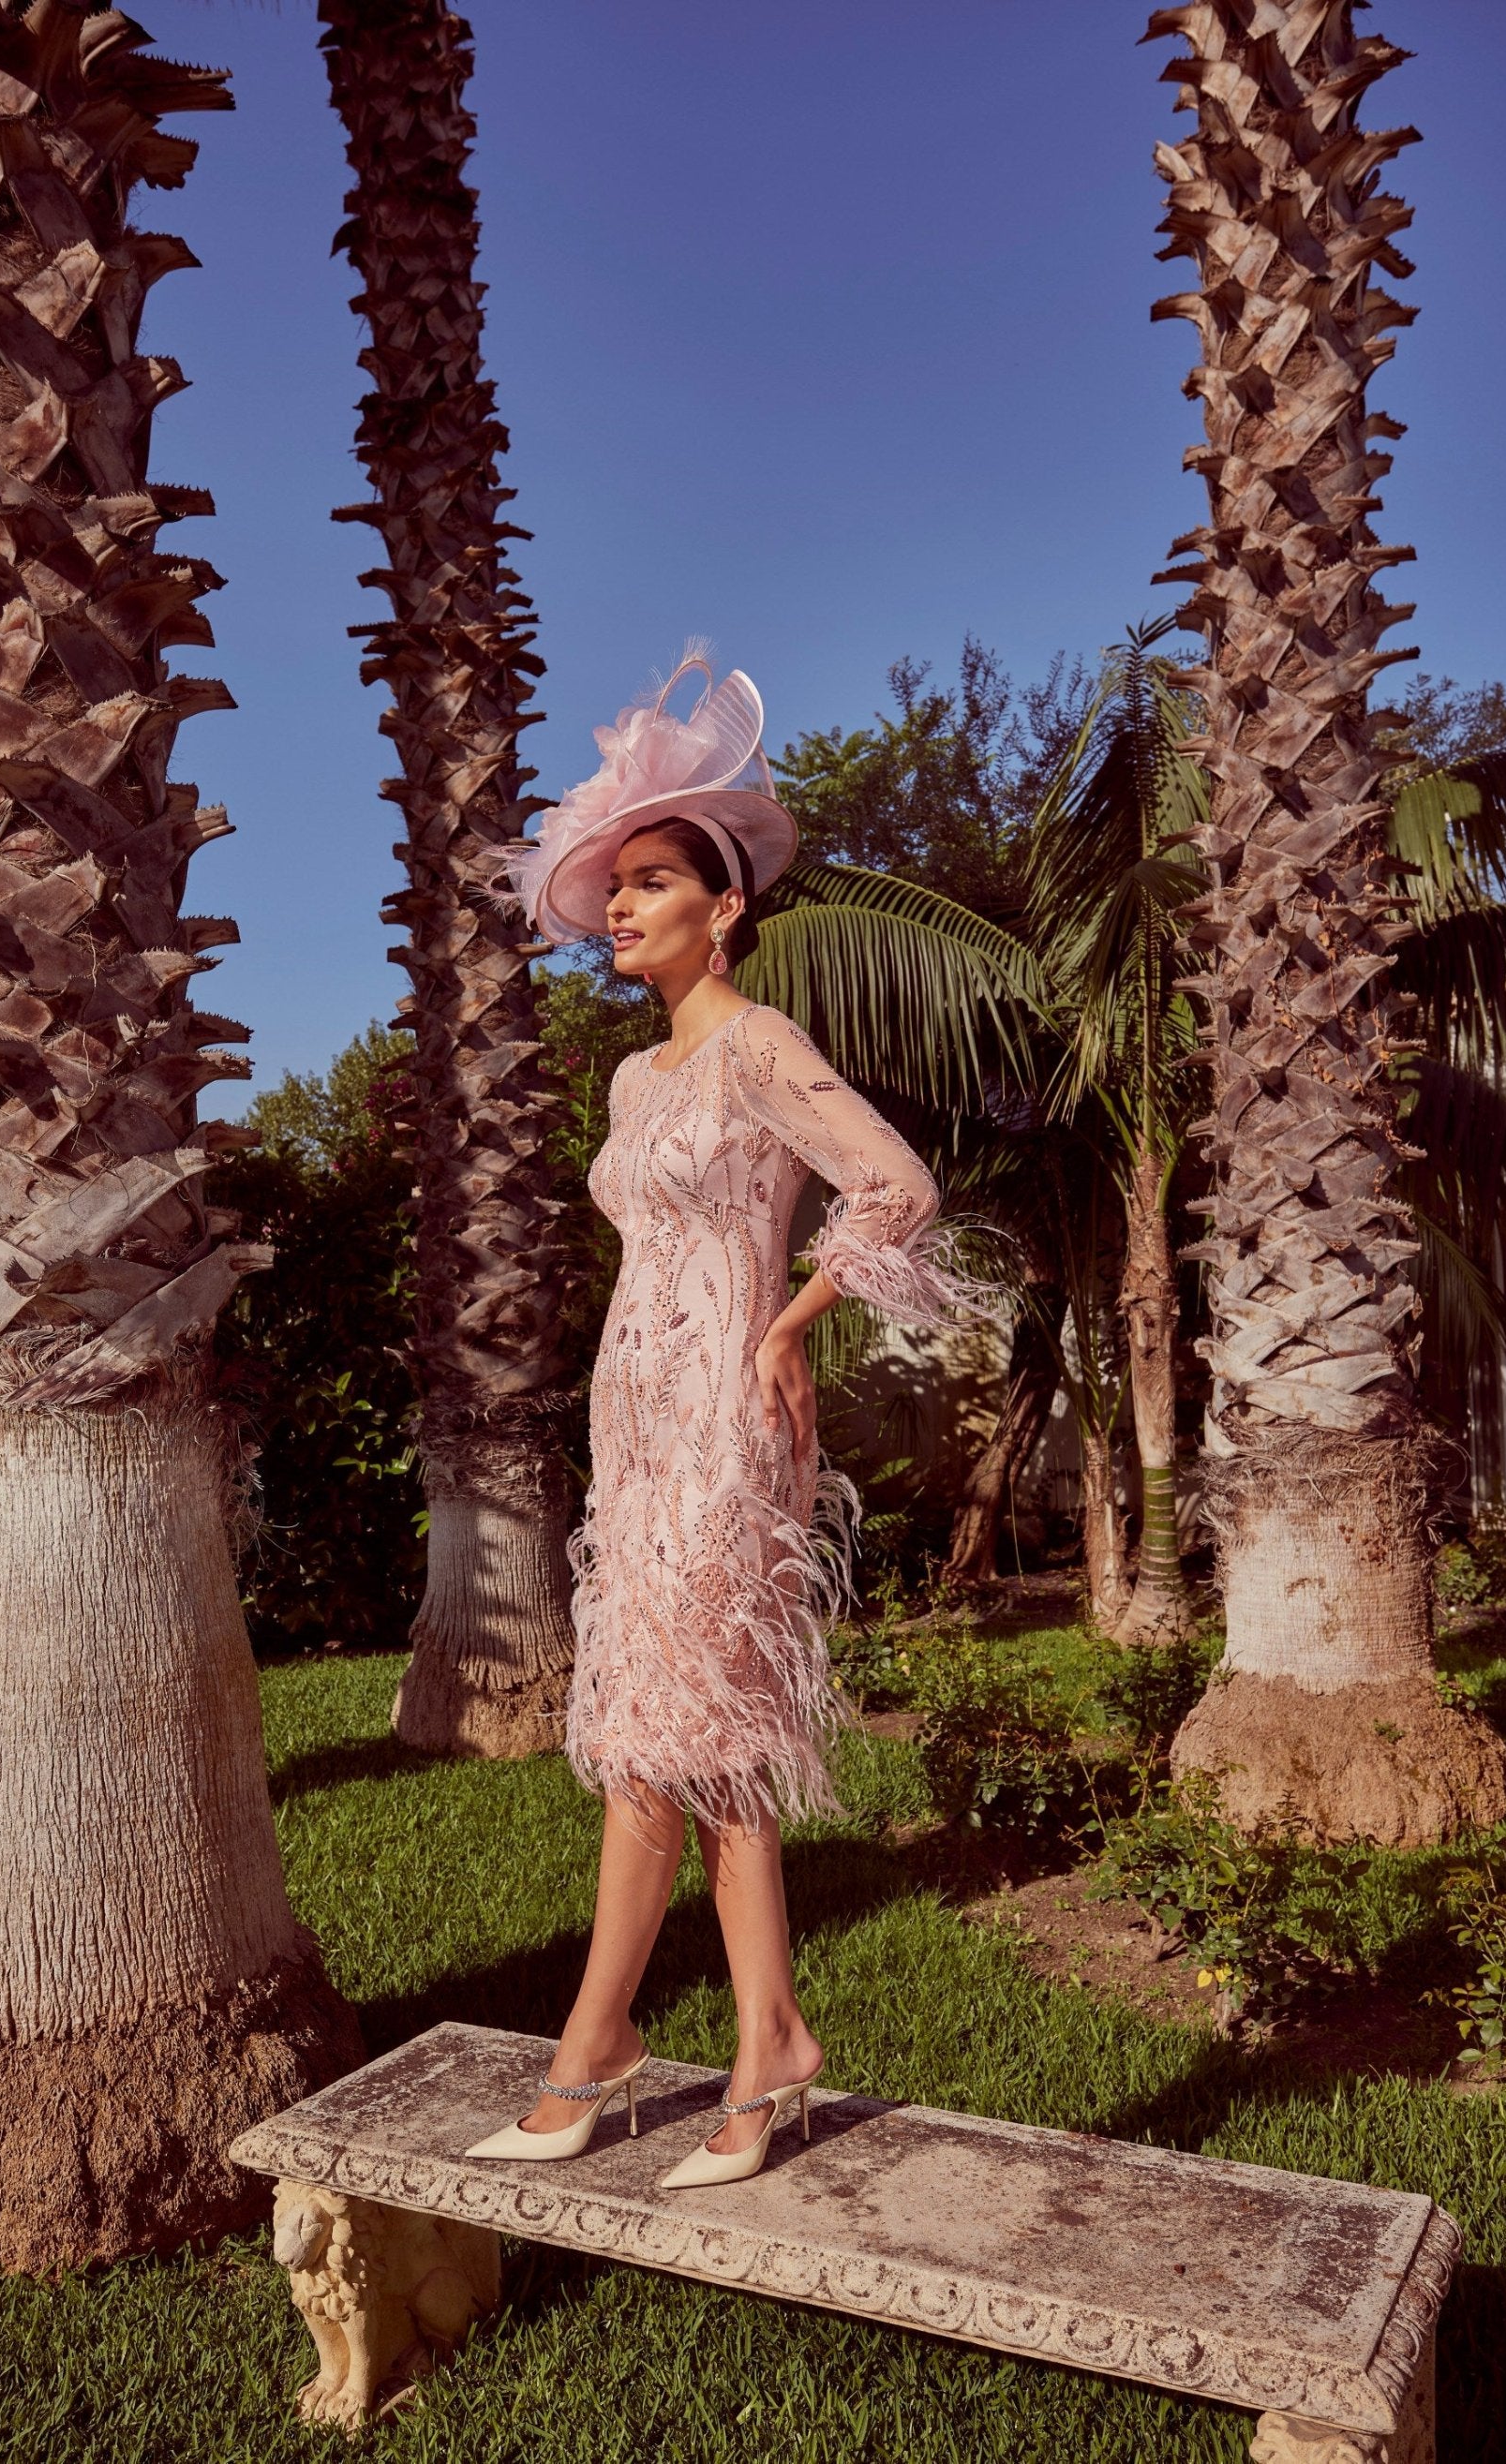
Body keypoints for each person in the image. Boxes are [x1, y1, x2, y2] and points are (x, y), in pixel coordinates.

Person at [469, 652, 990, 2188]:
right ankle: (757, 2041)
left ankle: (603, 2045)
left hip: (723, 1417)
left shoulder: (756, 1045)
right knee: (687, 1735)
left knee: (669, 1733)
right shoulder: (634, 1080)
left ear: (724, 909)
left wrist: (792, 1318)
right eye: (613, 885)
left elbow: (897, 1184)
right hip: (632, 1427)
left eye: (651, 883)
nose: (620, 907)